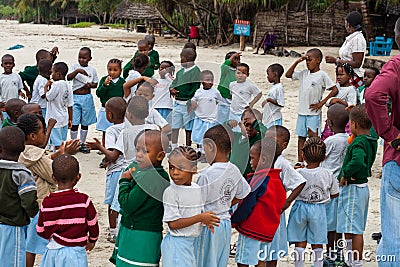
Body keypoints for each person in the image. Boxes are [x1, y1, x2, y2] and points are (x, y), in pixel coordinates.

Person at [17, 113, 79, 267]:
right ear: (32, 136)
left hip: (25, 205)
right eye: (43, 132)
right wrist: (66, 156)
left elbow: (44, 161)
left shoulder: (24, 152)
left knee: (27, 245)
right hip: (38, 206)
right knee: (35, 247)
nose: (45, 134)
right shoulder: (35, 156)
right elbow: (55, 173)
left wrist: (59, 153)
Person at [365, 17, 400, 266]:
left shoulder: (396, 67)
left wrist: (390, 133)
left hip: (398, 160)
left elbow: (374, 94)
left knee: (393, 239)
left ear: (397, 37)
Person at [195, 124, 251, 267]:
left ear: (210, 147)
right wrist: (226, 203)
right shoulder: (234, 169)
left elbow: (197, 205)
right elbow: (244, 192)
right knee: (220, 260)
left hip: (209, 224)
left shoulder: (206, 175)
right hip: (225, 223)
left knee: (204, 260)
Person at [112, 130, 170, 266]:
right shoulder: (147, 171)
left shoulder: (151, 177)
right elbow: (132, 167)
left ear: (160, 156)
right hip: (134, 231)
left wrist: (124, 181)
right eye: (137, 149)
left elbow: (127, 204)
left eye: (145, 151)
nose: (139, 155)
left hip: (141, 235)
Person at [161, 146, 220, 266]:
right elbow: (173, 224)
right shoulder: (171, 192)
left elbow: (196, 213)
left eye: (181, 168)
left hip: (192, 242)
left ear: (194, 169)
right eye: (171, 167)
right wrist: (200, 218)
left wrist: (206, 221)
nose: (175, 172)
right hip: (177, 245)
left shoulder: (196, 188)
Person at [36, 154, 99, 267]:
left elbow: (40, 230)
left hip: (52, 252)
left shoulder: (47, 202)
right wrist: (92, 239)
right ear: (78, 177)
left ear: (53, 177)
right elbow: (93, 223)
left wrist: (53, 237)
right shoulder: (83, 200)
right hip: (75, 253)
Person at [232, 138, 286, 267]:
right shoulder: (276, 180)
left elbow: (247, 204)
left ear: (263, 160)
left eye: (252, 158)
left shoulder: (259, 179)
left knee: (243, 260)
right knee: (260, 260)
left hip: (251, 228)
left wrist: (234, 220)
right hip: (268, 230)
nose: (250, 162)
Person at [287, 137, 339, 267]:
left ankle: (299, 264)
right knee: (317, 241)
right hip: (319, 209)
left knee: (300, 241)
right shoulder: (327, 173)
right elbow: (335, 193)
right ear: (324, 157)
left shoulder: (299, 172)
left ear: (303, 155)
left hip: (299, 208)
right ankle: (318, 264)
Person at [336, 104, 378, 267]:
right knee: (350, 226)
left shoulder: (359, 142)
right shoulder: (371, 138)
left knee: (355, 230)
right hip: (361, 188)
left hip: (354, 187)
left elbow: (358, 160)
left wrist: (345, 172)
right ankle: (350, 260)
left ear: (354, 124)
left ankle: (356, 263)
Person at [260, 126, 306, 267]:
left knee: (272, 249)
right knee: (260, 248)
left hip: (274, 212)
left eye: (272, 141)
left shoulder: (282, 163)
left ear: (283, 145)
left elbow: (300, 182)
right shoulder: (261, 158)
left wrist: (287, 203)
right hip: (261, 211)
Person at [285, 48, 339, 167]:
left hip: (313, 113)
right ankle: (300, 160)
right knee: (301, 137)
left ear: (318, 60)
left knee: (313, 137)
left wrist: (322, 102)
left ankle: (314, 159)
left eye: (310, 60)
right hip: (301, 112)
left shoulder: (322, 75)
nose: (307, 62)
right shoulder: (304, 73)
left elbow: (334, 89)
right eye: (306, 60)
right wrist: (297, 62)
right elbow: (288, 74)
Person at [85, 97, 127, 243]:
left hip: (116, 170)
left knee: (112, 202)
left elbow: (112, 155)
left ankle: (113, 231)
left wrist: (99, 148)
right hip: (129, 168)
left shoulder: (111, 130)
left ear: (109, 115)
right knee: (123, 199)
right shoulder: (130, 127)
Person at [0, 126, 38, 267]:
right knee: (13, 262)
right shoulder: (22, 174)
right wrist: (33, 213)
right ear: (23, 149)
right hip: (13, 227)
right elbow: (29, 203)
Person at [319, 104, 350, 265]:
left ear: (329, 123)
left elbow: (321, 156)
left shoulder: (330, 140)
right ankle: (338, 253)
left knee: (330, 226)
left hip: (329, 188)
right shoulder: (349, 140)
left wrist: (315, 141)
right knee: (339, 225)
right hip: (343, 187)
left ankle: (330, 255)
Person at [67, 47, 99, 153]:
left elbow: (95, 84)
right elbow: (68, 77)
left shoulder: (92, 70)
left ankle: (82, 143)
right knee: (74, 122)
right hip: (75, 97)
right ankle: (73, 143)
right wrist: (77, 71)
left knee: (85, 122)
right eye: (79, 57)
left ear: (90, 58)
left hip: (86, 97)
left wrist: (90, 85)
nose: (81, 60)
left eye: (84, 58)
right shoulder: (74, 67)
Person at [169, 48, 201, 148]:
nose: (180, 60)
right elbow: (174, 82)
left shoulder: (195, 72)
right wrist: (172, 88)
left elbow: (195, 88)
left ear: (188, 59)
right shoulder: (180, 71)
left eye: (181, 58)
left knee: (189, 127)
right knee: (175, 125)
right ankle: (174, 145)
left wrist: (189, 101)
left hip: (187, 104)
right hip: (178, 103)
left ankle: (188, 146)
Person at [325, 11, 366, 88]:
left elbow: (357, 63)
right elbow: (347, 58)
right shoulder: (352, 38)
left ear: (349, 24)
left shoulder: (357, 39)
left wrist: (336, 61)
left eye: (346, 23)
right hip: (346, 75)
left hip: (353, 77)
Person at [190, 70, 224, 157]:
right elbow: (194, 99)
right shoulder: (199, 92)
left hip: (211, 118)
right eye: (208, 80)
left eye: (212, 80)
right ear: (202, 81)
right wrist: (193, 103)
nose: (210, 82)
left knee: (208, 135)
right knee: (198, 135)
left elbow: (221, 101)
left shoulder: (215, 92)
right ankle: (199, 151)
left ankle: (206, 153)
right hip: (200, 117)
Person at [321, 63, 357, 140]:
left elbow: (352, 105)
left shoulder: (351, 90)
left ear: (349, 76)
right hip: (331, 120)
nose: (338, 77)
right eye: (337, 75)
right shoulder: (336, 87)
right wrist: (331, 101)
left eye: (341, 75)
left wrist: (339, 101)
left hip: (343, 121)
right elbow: (327, 102)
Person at [229, 107, 267, 178]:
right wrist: (228, 124)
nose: (249, 128)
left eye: (252, 126)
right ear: (240, 124)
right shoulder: (235, 137)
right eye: (246, 124)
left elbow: (268, 136)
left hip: (250, 179)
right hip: (232, 177)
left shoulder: (259, 139)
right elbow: (219, 133)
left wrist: (256, 122)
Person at [96, 59, 124, 149]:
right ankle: (105, 148)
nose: (112, 72)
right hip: (106, 109)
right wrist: (104, 86)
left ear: (120, 71)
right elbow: (98, 94)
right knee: (106, 131)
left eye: (115, 70)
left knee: (117, 130)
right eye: (109, 69)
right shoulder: (104, 80)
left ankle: (116, 148)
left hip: (118, 111)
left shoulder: (122, 82)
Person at [44, 62, 73, 150]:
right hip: (64, 117)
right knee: (62, 141)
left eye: (52, 72)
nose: (51, 74)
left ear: (58, 74)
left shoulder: (56, 85)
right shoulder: (68, 86)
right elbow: (70, 105)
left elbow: (48, 97)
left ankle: (58, 159)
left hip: (54, 119)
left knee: (56, 144)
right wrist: (70, 119)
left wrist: (46, 88)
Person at [229, 63, 262, 128]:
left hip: (243, 112)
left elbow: (259, 94)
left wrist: (251, 104)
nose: (240, 75)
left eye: (243, 73)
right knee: (233, 129)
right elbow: (232, 95)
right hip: (232, 112)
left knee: (242, 130)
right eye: (238, 73)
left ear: (247, 74)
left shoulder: (249, 85)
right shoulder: (232, 84)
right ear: (235, 73)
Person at [217, 51, 241, 123]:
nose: (238, 61)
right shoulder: (225, 69)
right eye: (235, 59)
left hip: (234, 99)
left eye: (239, 59)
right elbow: (225, 64)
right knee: (222, 118)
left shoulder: (239, 71)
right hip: (224, 98)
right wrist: (232, 56)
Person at [0, 54, 25, 123]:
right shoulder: (1, 77)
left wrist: (21, 93)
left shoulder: (17, 76)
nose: (8, 65)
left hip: (15, 106)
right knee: (5, 122)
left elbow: (19, 89)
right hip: (5, 105)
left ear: (13, 65)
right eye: (6, 63)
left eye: (10, 63)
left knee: (15, 121)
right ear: (2, 65)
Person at [261, 63, 285, 128]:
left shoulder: (279, 88)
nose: (267, 77)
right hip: (269, 117)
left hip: (274, 118)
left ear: (275, 74)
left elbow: (281, 103)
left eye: (268, 74)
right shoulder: (274, 87)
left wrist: (268, 100)